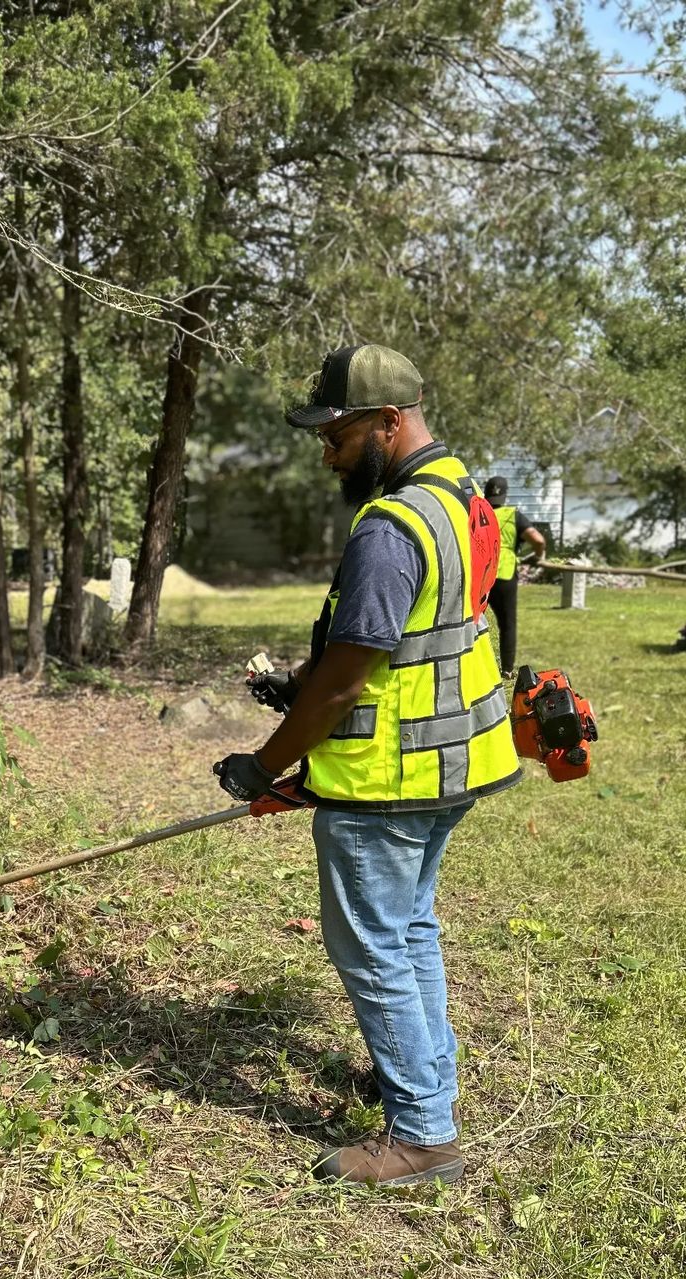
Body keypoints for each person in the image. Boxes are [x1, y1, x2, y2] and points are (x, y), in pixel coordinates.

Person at [214, 343, 522, 1188]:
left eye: (339, 435)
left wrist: (264, 764)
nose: (327, 452)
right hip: (453, 763)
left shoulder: (389, 529)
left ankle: (423, 1134)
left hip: (389, 778)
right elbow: (438, 631)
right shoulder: (462, 495)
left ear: (389, 422)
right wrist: (298, 684)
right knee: (410, 928)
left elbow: (349, 681)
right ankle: (419, 1080)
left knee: (374, 946)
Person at [481, 476, 546, 677]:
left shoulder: (478, 514)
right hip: (505, 575)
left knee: (474, 621)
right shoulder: (512, 515)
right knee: (507, 623)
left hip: (482, 574)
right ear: (505, 494)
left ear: (486, 493)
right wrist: (538, 555)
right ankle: (507, 670)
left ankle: (472, 664)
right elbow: (538, 539)